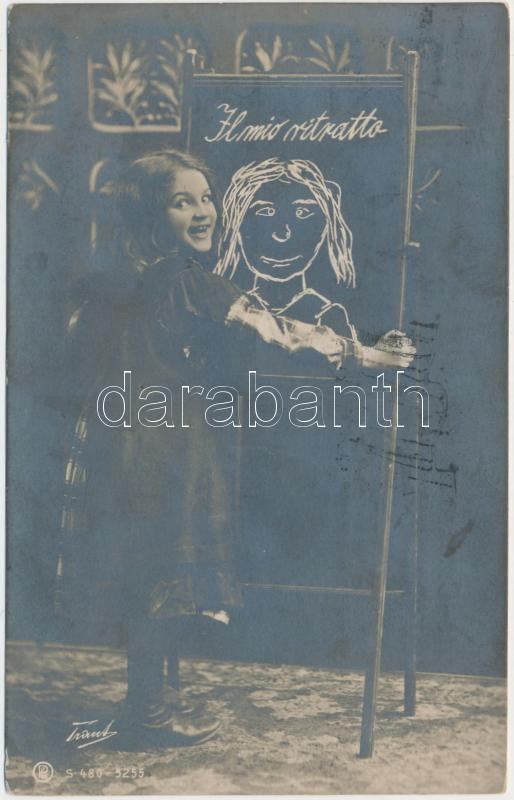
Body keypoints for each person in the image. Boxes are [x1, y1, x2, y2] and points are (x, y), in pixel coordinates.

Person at [55, 149, 361, 749]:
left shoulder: (105, 281)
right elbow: (281, 332)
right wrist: (366, 354)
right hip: (161, 451)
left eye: (205, 197)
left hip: (109, 443)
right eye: (182, 201)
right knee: (161, 576)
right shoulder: (185, 278)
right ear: (149, 214)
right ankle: (148, 712)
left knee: (144, 573)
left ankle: (147, 699)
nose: (204, 212)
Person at [215, 157, 415, 368]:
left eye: (301, 213)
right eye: (265, 211)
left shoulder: (328, 313)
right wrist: (371, 356)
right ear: (236, 222)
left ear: (327, 225)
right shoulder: (225, 303)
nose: (282, 233)